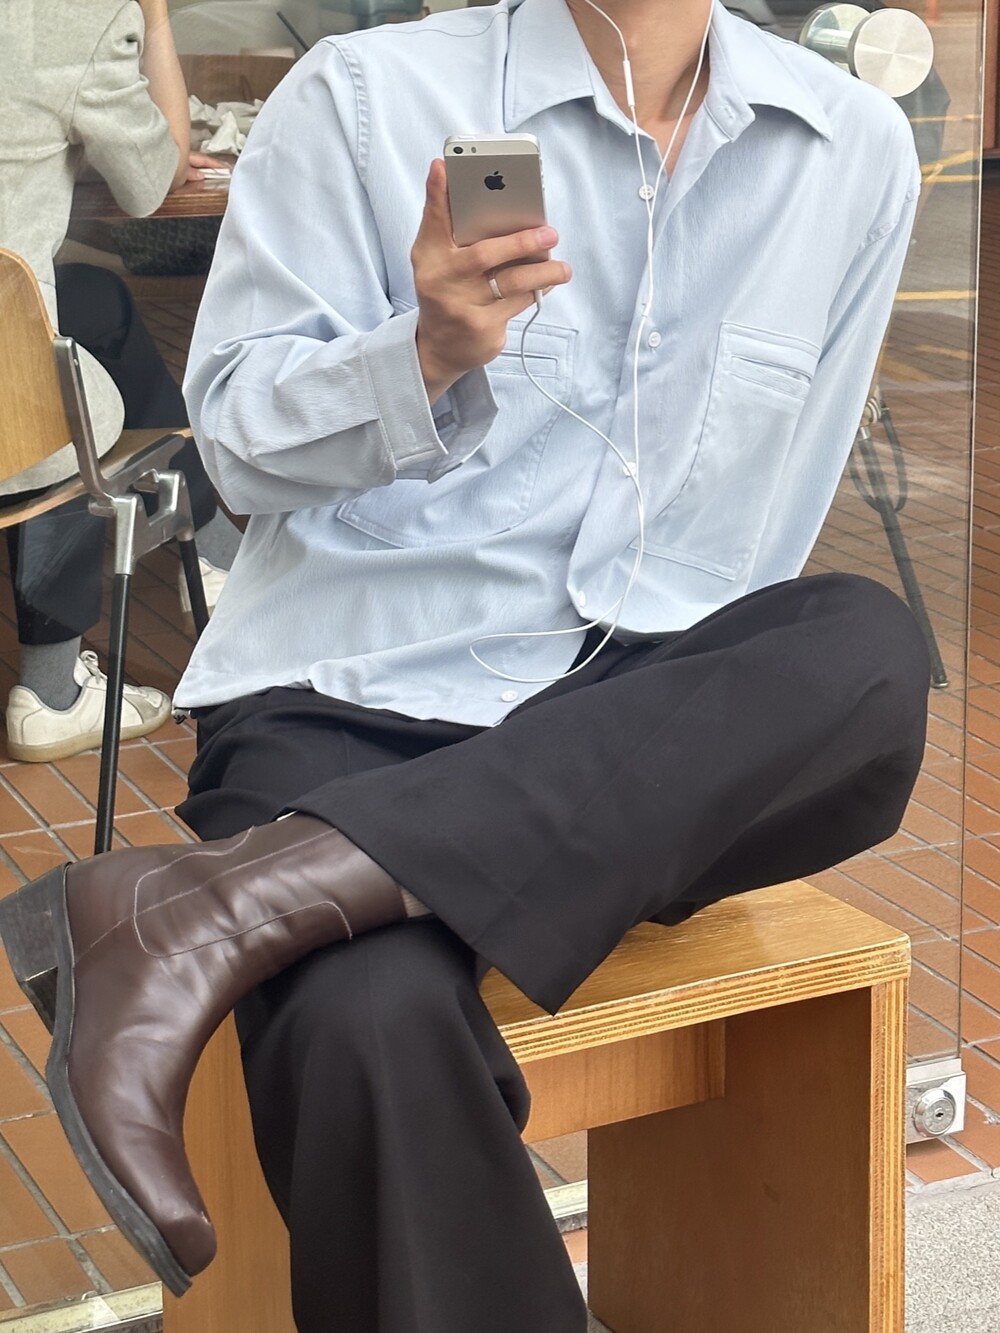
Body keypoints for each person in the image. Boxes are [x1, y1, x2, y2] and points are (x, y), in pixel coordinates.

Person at [0, 0, 930, 1329]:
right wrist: (426, 353)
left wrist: (698, 733)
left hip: (634, 730)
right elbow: (239, 451)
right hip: (353, 687)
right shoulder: (366, 97)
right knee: (361, 1018)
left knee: (865, 653)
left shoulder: (848, 147)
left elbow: (777, 510)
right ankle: (230, 909)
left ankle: (204, 908)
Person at [0, 0, 241, 762]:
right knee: (52, 390)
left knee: (91, 303)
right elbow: (150, 180)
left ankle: (212, 542)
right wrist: (154, 14)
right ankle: (52, 694)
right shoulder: (71, 17)